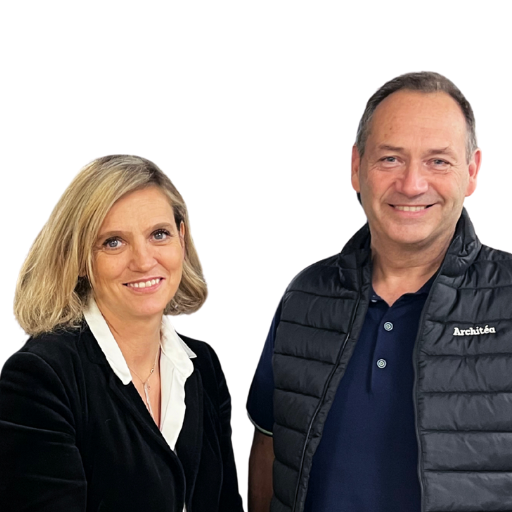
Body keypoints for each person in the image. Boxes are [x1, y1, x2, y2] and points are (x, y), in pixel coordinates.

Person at [247, 71, 512, 512]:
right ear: (356, 167)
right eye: (390, 158)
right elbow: (270, 447)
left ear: (471, 172)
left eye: (438, 161)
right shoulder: (306, 297)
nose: (411, 184)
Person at [0, 155, 244, 512]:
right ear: (79, 259)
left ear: (181, 238)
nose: (143, 261)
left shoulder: (202, 365)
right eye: (114, 242)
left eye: (159, 234)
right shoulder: (41, 378)